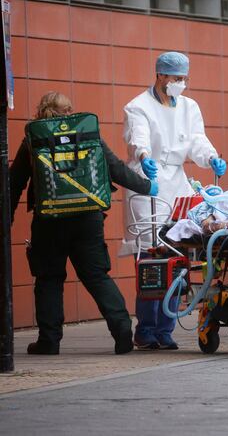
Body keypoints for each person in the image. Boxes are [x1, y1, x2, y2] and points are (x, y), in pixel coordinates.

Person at [10, 92, 157, 355]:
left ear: (42, 111)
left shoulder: (33, 139)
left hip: (49, 220)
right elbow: (115, 169)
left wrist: (6, 219)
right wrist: (147, 186)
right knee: (96, 276)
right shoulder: (87, 135)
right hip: (88, 218)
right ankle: (122, 330)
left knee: (49, 279)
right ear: (69, 111)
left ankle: (49, 341)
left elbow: (14, 184)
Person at [120, 51, 226, 350]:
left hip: (177, 182)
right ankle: (146, 328)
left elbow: (197, 140)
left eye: (184, 79)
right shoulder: (138, 107)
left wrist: (212, 157)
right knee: (151, 256)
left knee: (178, 253)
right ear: (160, 75)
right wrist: (143, 156)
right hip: (148, 181)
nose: (180, 83)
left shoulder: (189, 106)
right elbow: (137, 137)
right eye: (175, 78)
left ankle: (165, 327)